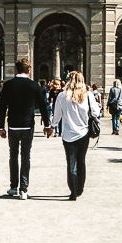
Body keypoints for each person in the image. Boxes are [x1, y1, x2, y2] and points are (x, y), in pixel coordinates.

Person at [0, 57, 52, 199]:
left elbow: (2, 108)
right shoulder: (34, 86)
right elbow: (43, 106)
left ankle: (13, 186)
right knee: (25, 156)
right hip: (27, 125)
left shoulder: (8, 85)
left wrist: (1, 127)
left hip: (13, 125)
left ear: (16, 69)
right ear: (29, 70)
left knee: (13, 155)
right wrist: (47, 125)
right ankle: (24, 189)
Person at [51, 70, 101, 201]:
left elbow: (57, 114)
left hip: (68, 134)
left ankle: (73, 190)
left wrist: (52, 126)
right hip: (84, 133)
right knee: (81, 161)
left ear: (69, 80)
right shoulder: (88, 95)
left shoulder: (62, 96)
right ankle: (80, 189)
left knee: (71, 162)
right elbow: (95, 113)